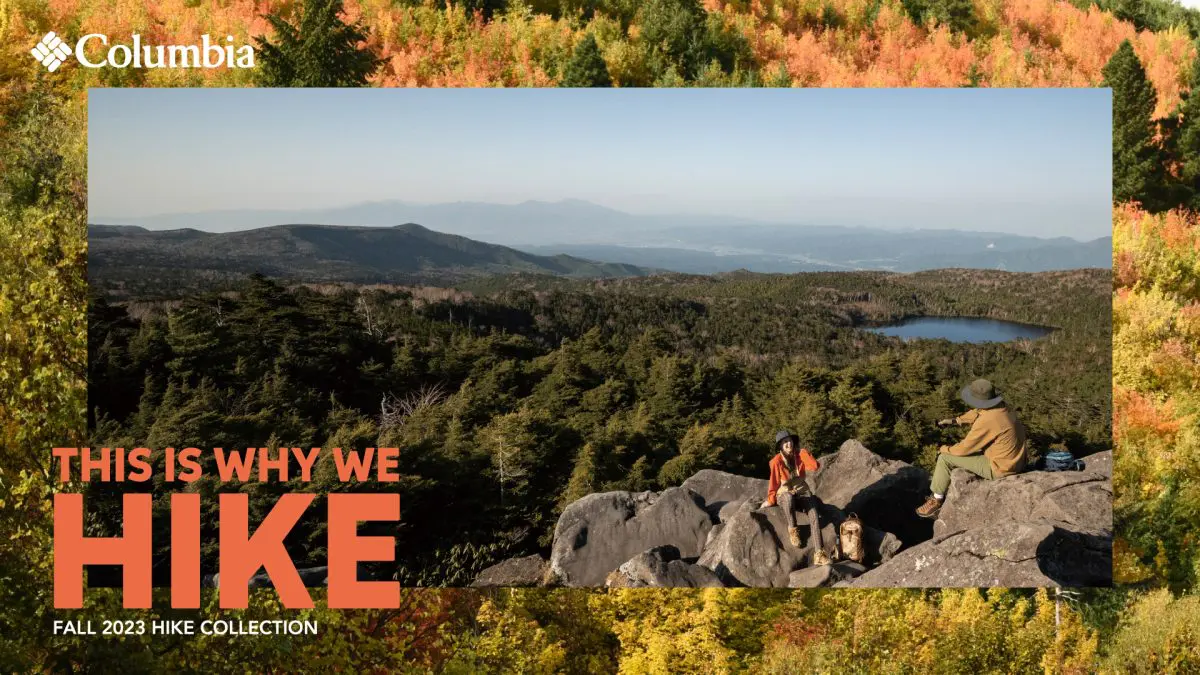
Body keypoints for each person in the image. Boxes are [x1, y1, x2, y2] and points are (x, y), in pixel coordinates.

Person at [916, 379, 1029, 519]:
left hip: (1001, 468)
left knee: (944, 459)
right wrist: (955, 421)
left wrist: (943, 449)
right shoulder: (1002, 407)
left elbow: (964, 449)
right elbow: (977, 413)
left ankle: (936, 500)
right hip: (1017, 460)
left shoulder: (989, 420)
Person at [761, 429, 832, 566]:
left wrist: (804, 453)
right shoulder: (776, 462)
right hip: (785, 493)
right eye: (784, 442)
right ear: (780, 446)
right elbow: (774, 483)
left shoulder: (800, 455)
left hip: (802, 491)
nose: (788, 444)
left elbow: (815, 466)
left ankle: (819, 554)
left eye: (790, 441)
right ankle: (793, 529)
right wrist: (770, 500)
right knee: (787, 498)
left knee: (814, 515)